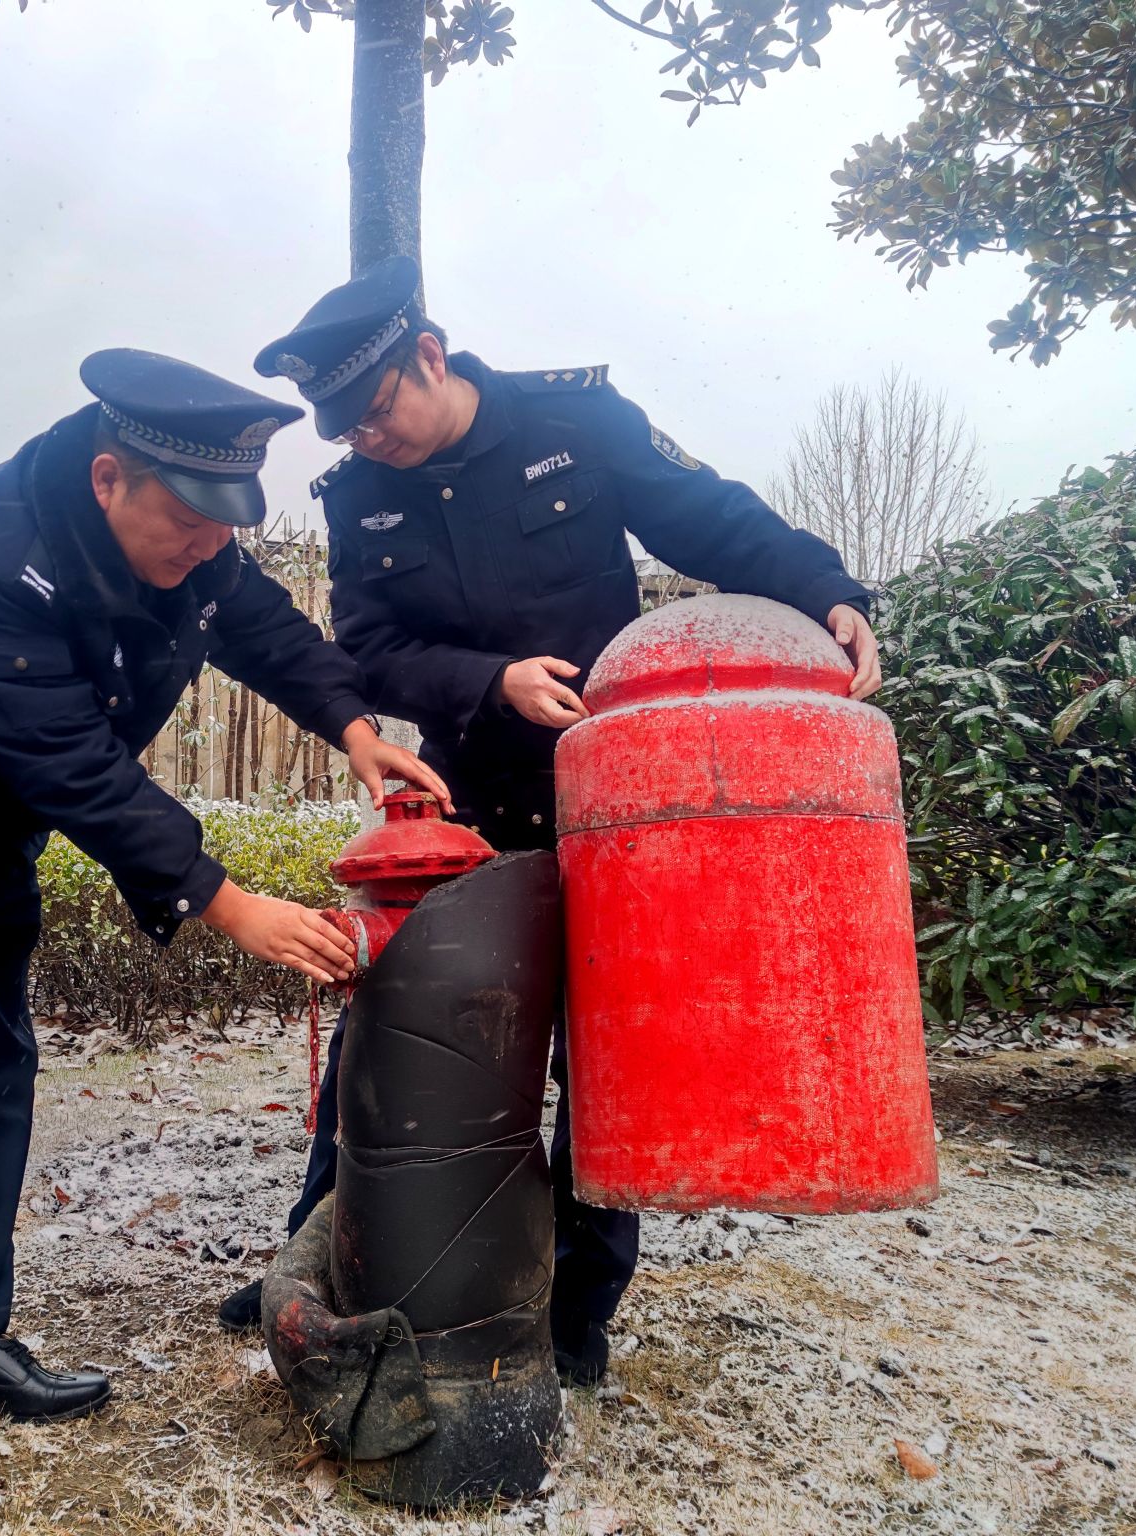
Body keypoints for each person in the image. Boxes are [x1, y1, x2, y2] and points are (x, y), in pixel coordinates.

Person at [0, 348, 449, 1536]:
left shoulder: (190, 536)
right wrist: (231, 905)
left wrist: (352, 724)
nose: (207, 548)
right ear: (107, 479)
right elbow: (75, 769)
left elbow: (262, 627)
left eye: (222, 527)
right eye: (187, 526)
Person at [215, 258, 881, 1386]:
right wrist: (490, 681)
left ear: (430, 356)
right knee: (393, 1033)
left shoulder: (576, 422)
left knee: (604, 1054)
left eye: (375, 410)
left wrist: (829, 591)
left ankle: (577, 1306)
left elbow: (712, 519)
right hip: (471, 807)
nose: (365, 439)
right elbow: (371, 651)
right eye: (345, 428)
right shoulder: (356, 497)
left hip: (611, 807)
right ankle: (326, 1245)